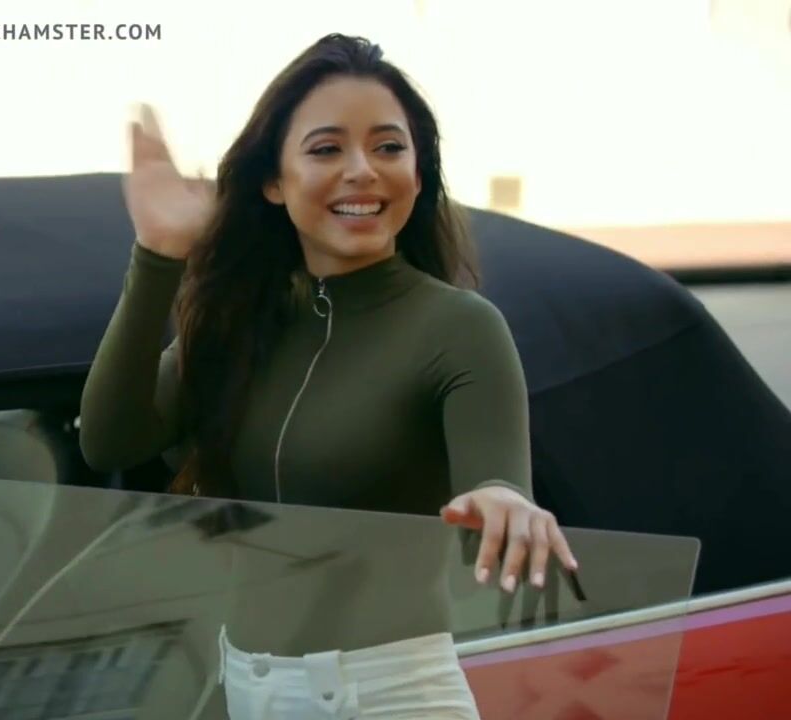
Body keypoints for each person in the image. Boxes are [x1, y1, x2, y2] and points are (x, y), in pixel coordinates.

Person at [80, 33, 579, 719]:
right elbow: (108, 440)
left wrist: (503, 500)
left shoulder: (461, 326)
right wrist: (158, 252)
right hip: (245, 686)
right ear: (273, 182)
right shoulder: (240, 324)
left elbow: (495, 480)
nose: (362, 171)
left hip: (390, 697)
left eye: (388, 147)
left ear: (419, 175)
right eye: (326, 150)